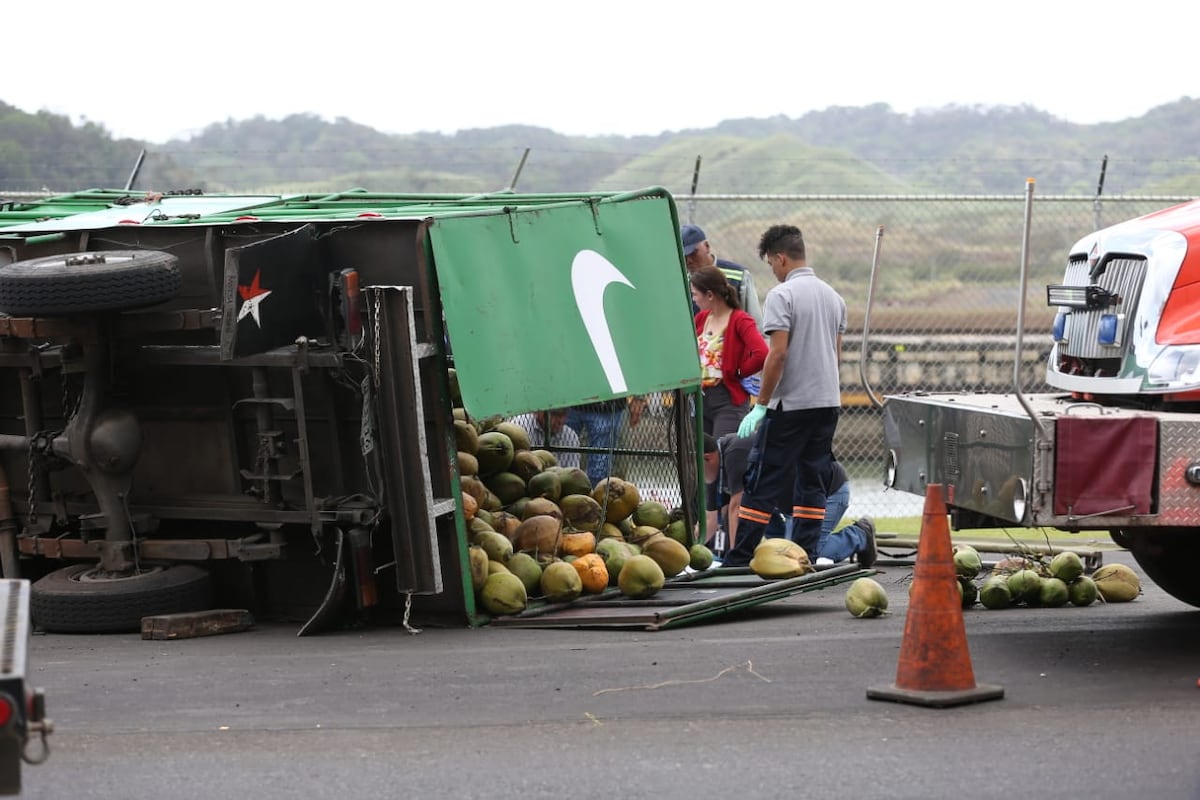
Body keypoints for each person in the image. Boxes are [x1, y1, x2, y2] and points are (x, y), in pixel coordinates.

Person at [720, 223, 847, 567]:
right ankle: (806, 553)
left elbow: (777, 354)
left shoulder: (782, 296)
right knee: (812, 478)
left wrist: (760, 405)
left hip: (790, 406)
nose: (773, 272)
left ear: (780, 258)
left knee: (763, 478)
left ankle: (740, 557)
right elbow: (835, 356)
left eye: (772, 265)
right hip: (827, 404)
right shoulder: (834, 297)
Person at [707, 433, 876, 566]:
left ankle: (860, 535)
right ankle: (783, 542)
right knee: (781, 552)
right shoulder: (714, 468)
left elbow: (737, 508)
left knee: (801, 556)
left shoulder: (735, 451)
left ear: (708, 458)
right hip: (787, 504)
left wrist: (737, 559)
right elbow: (712, 518)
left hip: (829, 492)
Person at [680, 223, 763, 330]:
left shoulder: (737, 276)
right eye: (684, 256)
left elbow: (755, 324)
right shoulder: (680, 281)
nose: (689, 260)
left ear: (707, 246)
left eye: (693, 253)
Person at [507, 409, 582, 469]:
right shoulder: (521, 426)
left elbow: (572, 471)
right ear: (538, 412)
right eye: (555, 414)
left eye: (564, 415)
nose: (561, 421)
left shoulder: (570, 435)